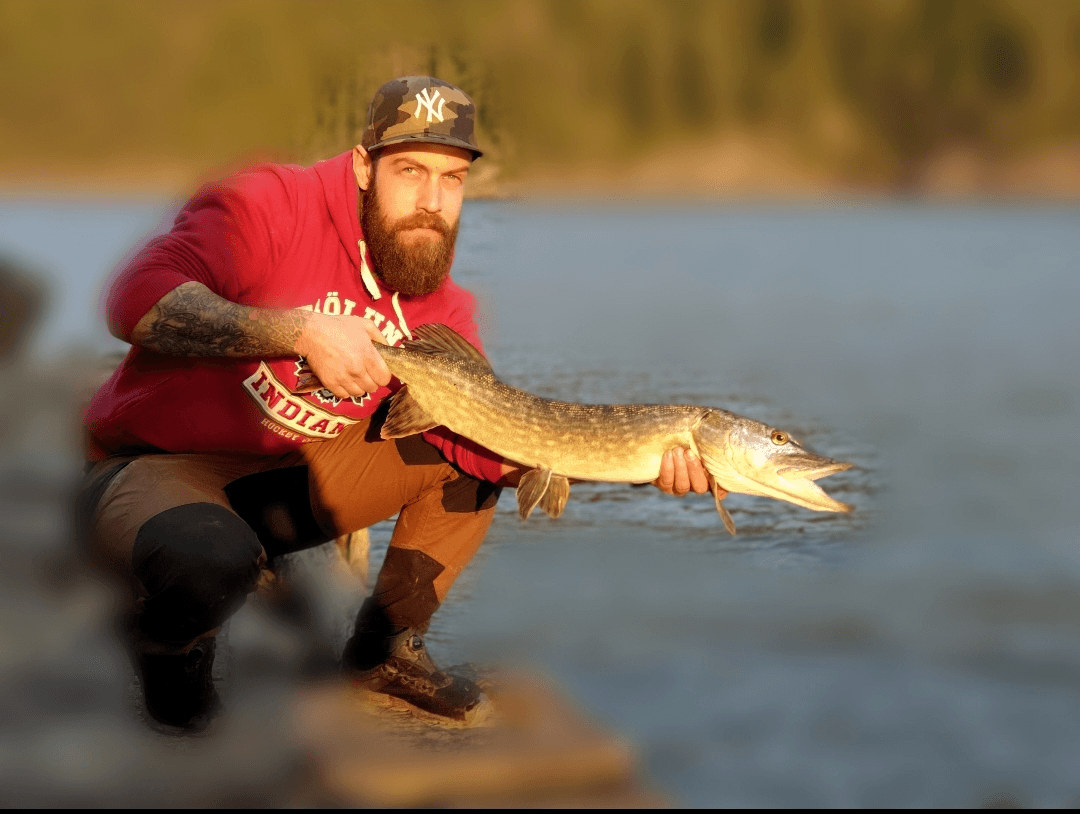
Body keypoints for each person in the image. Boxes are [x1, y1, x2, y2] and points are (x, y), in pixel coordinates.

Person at [80, 76, 715, 730]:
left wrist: (638, 462)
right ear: (364, 167)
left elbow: (497, 451)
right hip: (163, 465)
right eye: (411, 171)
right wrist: (298, 331)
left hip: (294, 482)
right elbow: (134, 298)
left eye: (452, 178)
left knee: (470, 450)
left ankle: (383, 651)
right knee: (207, 560)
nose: (432, 202)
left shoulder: (443, 309)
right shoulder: (268, 203)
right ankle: (170, 653)